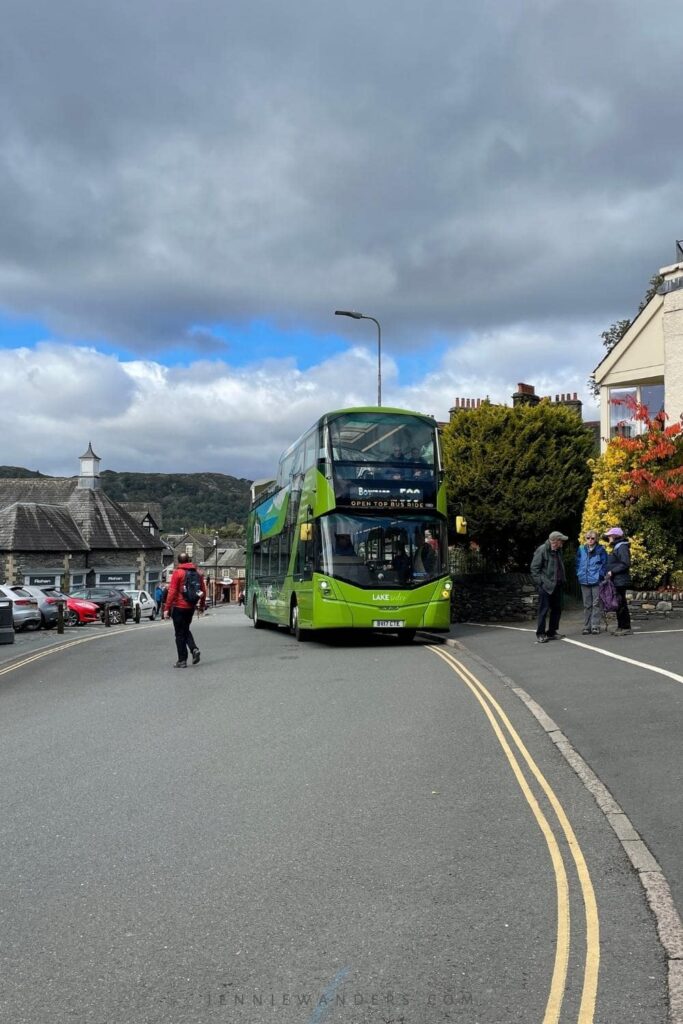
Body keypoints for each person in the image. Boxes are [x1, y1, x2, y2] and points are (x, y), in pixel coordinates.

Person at [164, 553, 207, 667]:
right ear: (189, 560)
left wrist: (166, 608)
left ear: (179, 561)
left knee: (179, 633)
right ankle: (194, 649)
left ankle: (182, 660)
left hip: (178, 607)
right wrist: (202, 606)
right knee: (185, 629)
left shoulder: (178, 573)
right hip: (191, 607)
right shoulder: (197, 573)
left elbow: (172, 591)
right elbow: (203, 590)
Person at [530, 530, 567, 643]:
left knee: (557, 609)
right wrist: (542, 583)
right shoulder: (542, 550)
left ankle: (551, 632)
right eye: (561, 541)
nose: (563, 543)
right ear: (555, 541)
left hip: (558, 585)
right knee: (543, 610)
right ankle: (540, 634)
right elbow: (534, 569)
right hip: (546, 586)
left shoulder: (558, 550)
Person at [575, 530, 608, 634]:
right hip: (584, 580)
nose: (590, 540)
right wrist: (579, 573)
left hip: (596, 580)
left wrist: (600, 575)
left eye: (592, 538)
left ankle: (595, 626)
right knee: (587, 605)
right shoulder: (581, 549)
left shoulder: (601, 550)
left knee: (596, 604)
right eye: (588, 538)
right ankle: (586, 626)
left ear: (596, 539)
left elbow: (605, 564)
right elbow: (577, 563)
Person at [603, 527, 632, 636]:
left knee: (621, 603)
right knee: (619, 603)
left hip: (620, 580)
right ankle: (621, 626)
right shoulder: (618, 547)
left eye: (610, 536)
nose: (608, 537)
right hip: (617, 580)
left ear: (615, 536)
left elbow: (625, 563)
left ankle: (625, 627)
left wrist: (612, 572)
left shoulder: (622, 547)